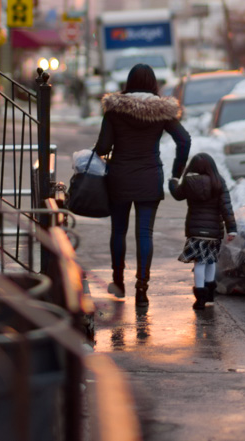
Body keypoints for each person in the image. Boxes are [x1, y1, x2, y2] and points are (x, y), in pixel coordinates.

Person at [94, 63, 191, 308]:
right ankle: (142, 288)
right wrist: (176, 172)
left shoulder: (115, 110)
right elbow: (184, 139)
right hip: (150, 177)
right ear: (153, 84)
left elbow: (104, 147)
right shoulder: (161, 111)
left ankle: (118, 284)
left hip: (120, 177)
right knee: (144, 233)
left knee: (118, 231)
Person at [168, 152, 237, 310]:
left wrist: (173, 182)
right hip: (213, 232)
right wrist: (232, 229)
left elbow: (177, 195)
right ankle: (210, 295)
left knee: (199, 263)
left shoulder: (189, 182)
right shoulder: (219, 182)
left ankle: (199, 299)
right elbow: (226, 207)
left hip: (196, 230)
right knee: (211, 261)